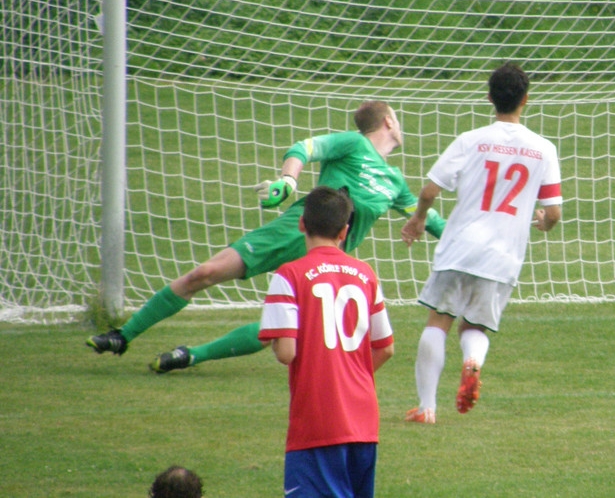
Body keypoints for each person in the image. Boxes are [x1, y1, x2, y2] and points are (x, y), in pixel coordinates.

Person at [86, 100, 443, 372]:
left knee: (277, 328)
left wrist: (462, 240)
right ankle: (123, 335)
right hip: (294, 229)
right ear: (388, 121)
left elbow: (429, 218)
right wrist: (288, 180)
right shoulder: (354, 144)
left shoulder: (394, 181)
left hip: (329, 260)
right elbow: (305, 148)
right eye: (397, 119)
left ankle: (190, 355)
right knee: (204, 273)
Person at [401, 62, 562, 424]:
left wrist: (419, 218)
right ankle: (472, 361)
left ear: (489, 98)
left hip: (460, 248)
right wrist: (543, 222)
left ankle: (426, 408)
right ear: (526, 99)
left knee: (438, 320)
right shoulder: (543, 149)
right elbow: (553, 212)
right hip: (502, 257)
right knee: (474, 327)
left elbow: (429, 191)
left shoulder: (471, 139)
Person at [259, 185, 393, 498]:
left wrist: (277, 340)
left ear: (301, 224)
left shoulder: (289, 275)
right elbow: (386, 347)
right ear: (344, 231)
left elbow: (286, 352)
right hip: (363, 422)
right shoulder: (366, 274)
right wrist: (349, 374)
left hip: (318, 420)